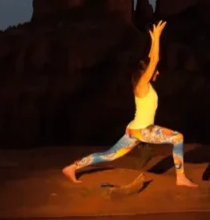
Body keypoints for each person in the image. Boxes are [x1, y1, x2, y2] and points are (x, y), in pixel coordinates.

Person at [62, 20, 196, 187]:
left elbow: (151, 59)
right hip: (142, 131)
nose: (158, 72)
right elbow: (154, 61)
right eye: (155, 71)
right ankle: (181, 178)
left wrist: (153, 40)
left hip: (134, 130)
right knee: (178, 138)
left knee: (109, 155)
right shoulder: (142, 85)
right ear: (147, 72)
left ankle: (71, 168)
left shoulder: (143, 85)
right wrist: (158, 37)